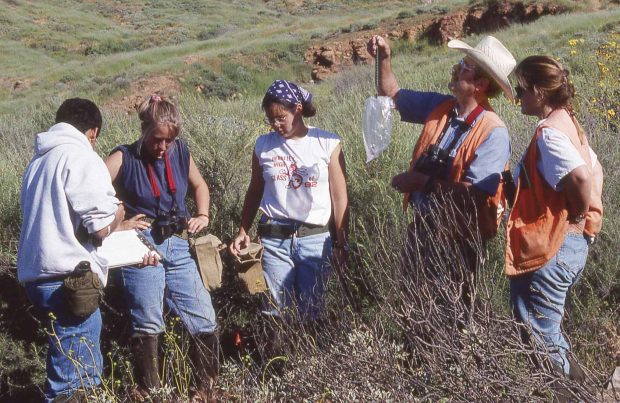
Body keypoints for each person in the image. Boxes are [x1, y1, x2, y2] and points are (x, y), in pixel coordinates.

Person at [367, 35, 516, 304]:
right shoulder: (443, 107)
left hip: (459, 242)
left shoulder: (493, 132)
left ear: (480, 84)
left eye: (466, 65)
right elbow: (391, 93)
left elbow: (477, 194)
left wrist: (423, 183)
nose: (458, 67)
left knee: (450, 315)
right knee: (413, 306)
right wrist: (384, 58)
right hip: (423, 227)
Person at [17, 98, 138, 402]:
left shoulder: (38, 162)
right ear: (92, 132)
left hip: (39, 277)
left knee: (64, 363)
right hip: (70, 281)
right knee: (76, 380)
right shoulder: (80, 156)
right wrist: (118, 216)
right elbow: (98, 226)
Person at [105, 94, 219, 400]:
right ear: (144, 129)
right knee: (148, 321)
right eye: (157, 140)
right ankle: (151, 392)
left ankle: (204, 391)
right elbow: (91, 194)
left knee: (204, 317)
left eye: (169, 140)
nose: (163, 147)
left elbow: (200, 186)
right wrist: (118, 224)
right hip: (141, 248)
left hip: (178, 244)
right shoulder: (124, 157)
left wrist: (202, 215)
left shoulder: (180, 151)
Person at [506, 55, 603, 378]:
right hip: (569, 247)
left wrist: (576, 214)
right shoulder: (569, 122)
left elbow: (581, 178)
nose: (517, 98)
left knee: (540, 339)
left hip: (551, 249)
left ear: (539, 92)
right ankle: (581, 389)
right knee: (549, 333)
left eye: (520, 91)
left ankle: (570, 394)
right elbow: (595, 169)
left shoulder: (548, 133)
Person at [229, 80, 349, 325]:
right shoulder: (263, 145)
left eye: (281, 118)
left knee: (312, 311)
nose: (276, 124)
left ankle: (311, 362)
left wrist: (341, 242)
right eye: (271, 119)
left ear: (298, 109)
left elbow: (339, 196)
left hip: (315, 239)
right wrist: (244, 229)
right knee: (275, 311)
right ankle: (278, 362)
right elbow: (255, 189)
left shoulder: (327, 143)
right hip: (274, 238)